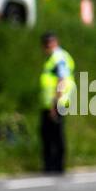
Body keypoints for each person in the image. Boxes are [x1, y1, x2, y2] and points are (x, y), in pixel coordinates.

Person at [39, 31, 74, 173]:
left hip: (56, 103)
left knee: (55, 135)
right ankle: (51, 165)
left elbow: (62, 80)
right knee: (48, 134)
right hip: (50, 104)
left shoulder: (58, 57)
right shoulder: (53, 58)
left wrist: (55, 103)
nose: (48, 47)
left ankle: (57, 166)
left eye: (49, 43)